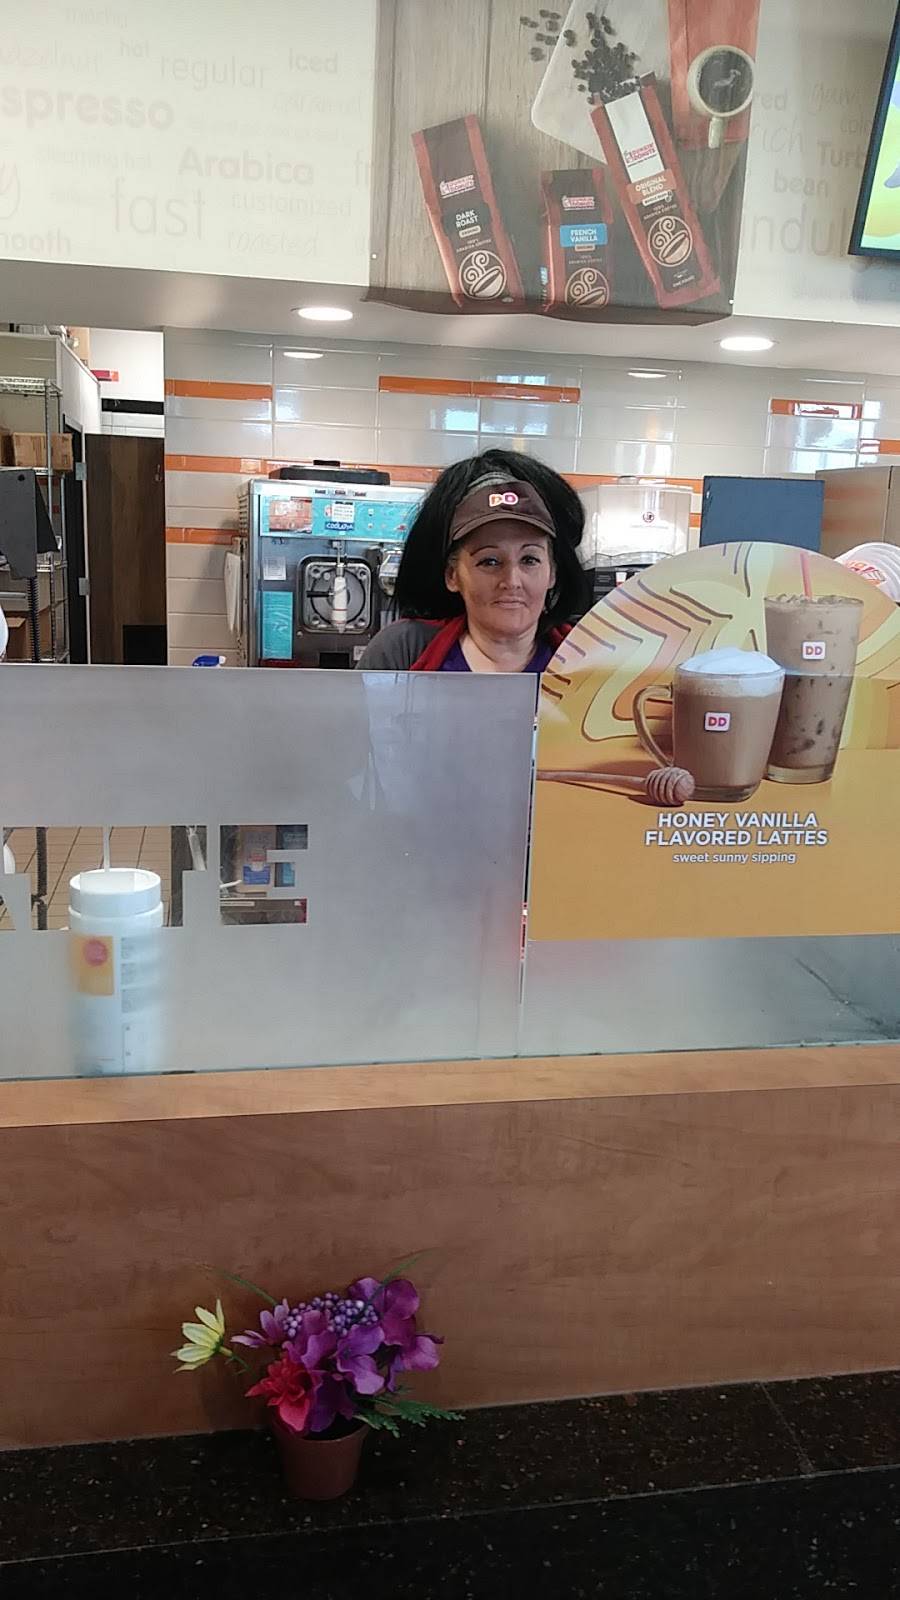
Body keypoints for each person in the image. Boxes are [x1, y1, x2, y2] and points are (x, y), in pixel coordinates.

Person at [357, 449, 592, 672]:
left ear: (553, 573)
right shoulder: (402, 652)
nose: (512, 581)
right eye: (490, 561)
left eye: (529, 560)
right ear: (452, 575)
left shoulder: (589, 662)